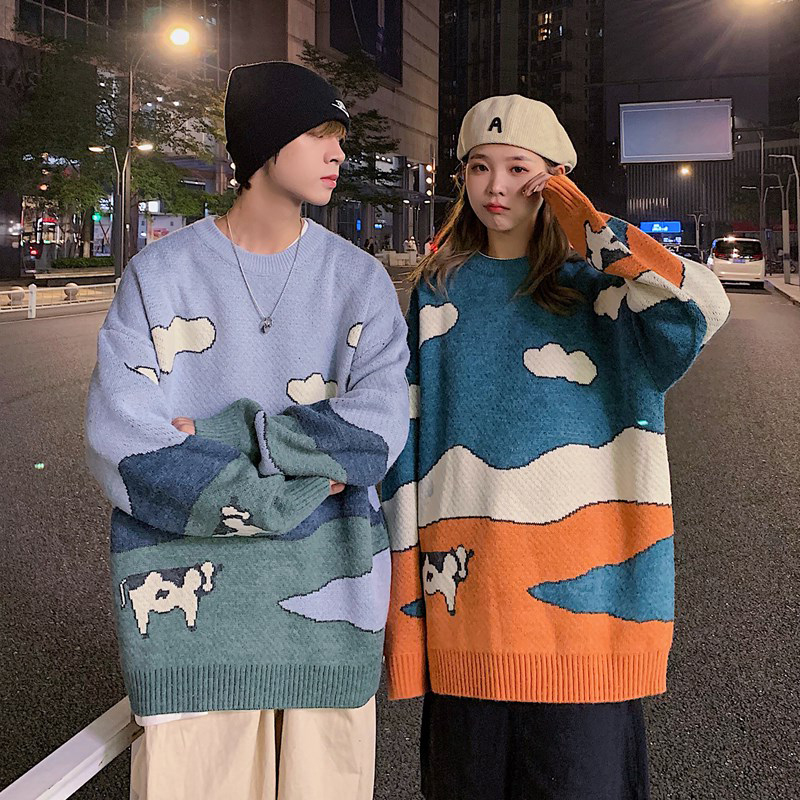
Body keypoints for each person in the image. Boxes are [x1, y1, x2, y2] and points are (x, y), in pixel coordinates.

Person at [381, 94, 731, 800]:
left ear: (556, 179)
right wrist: (408, 621)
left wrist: (595, 230)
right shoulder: (438, 290)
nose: (497, 186)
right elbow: (406, 449)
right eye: (479, 167)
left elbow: (702, 308)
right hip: (468, 608)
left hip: (587, 618)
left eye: (519, 168)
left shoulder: (606, 291)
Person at [85, 61, 410, 800]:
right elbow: (120, 441)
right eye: (318, 134)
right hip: (193, 632)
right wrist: (306, 471)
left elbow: (379, 431)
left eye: (339, 137)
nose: (338, 152)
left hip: (331, 617)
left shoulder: (359, 281)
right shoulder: (159, 276)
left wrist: (218, 437)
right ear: (264, 145)